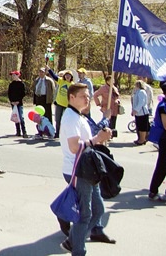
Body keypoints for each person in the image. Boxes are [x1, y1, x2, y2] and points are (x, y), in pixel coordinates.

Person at [59, 82, 115, 254]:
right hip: (78, 170)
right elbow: (75, 147)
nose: (88, 98)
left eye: (88, 95)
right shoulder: (70, 118)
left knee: (99, 210)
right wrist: (97, 138)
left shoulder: (79, 116)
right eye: (83, 95)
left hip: (89, 169)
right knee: (85, 215)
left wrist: (102, 133)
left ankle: (73, 240)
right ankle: (78, 249)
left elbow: (91, 138)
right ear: (72, 98)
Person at [53, 70, 73, 138]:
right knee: (58, 119)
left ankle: (66, 133)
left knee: (66, 120)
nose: (67, 76)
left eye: (69, 75)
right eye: (66, 75)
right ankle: (57, 133)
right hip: (59, 103)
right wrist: (49, 69)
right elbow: (54, 77)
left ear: (71, 77)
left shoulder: (72, 85)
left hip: (67, 105)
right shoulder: (61, 81)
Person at [8, 70, 28, 137]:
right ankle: (18, 131)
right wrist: (12, 101)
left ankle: (24, 132)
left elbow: (23, 93)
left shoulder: (21, 84)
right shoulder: (11, 84)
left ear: (18, 75)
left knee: (21, 117)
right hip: (13, 103)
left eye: (14, 75)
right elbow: (9, 94)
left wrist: (18, 101)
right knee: (16, 117)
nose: (13, 77)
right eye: (12, 75)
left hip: (19, 103)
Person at [131, 80, 151, 146]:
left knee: (142, 127)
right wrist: (133, 110)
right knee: (139, 126)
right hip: (138, 113)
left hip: (142, 112)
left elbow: (141, 103)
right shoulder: (137, 92)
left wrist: (136, 110)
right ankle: (140, 138)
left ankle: (142, 139)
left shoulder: (141, 92)